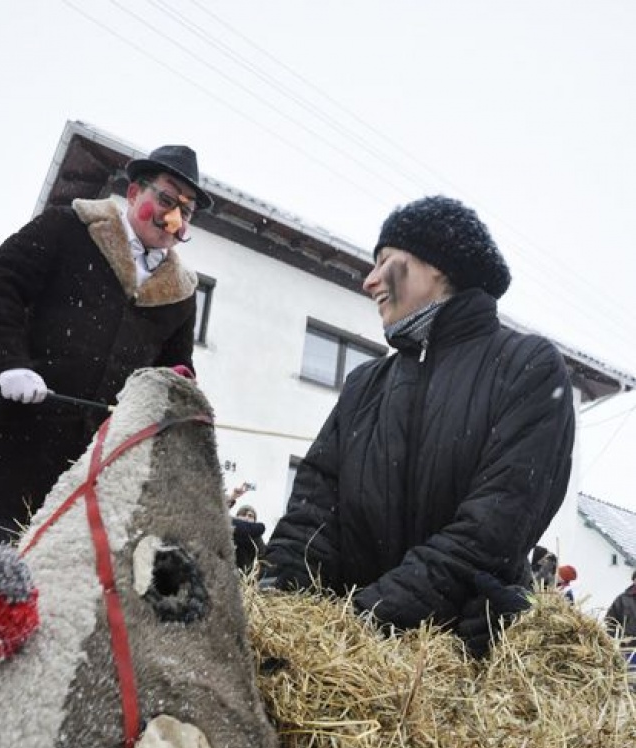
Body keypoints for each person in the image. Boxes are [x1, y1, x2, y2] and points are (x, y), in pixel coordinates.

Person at [263, 196, 575, 656]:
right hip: (338, 663)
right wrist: (276, 606)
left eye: (386, 261)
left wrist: (362, 626)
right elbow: (311, 514)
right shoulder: (365, 384)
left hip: (454, 666)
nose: (369, 281)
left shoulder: (526, 368)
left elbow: (490, 533)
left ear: (438, 266)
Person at [0, 145, 213, 543]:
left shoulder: (181, 293)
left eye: (186, 212)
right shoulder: (68, 228)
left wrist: (179, 406)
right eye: (165, 200)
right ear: (133, 194)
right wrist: (7, 362)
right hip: (20, 453)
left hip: (96, 480)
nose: (173, 220)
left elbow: (173, 370)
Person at [605, 570, 636, 666]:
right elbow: (610, 621)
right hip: (629, 647)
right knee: (631, 676)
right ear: (634, 580)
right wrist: (610, 642)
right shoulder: (622, 599)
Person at [232, 504, 267, 574]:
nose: (246, 518)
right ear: (237, 517)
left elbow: (263, 561)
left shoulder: (259, 542)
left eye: (250, 516)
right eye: (243, 515)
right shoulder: (229, 535)